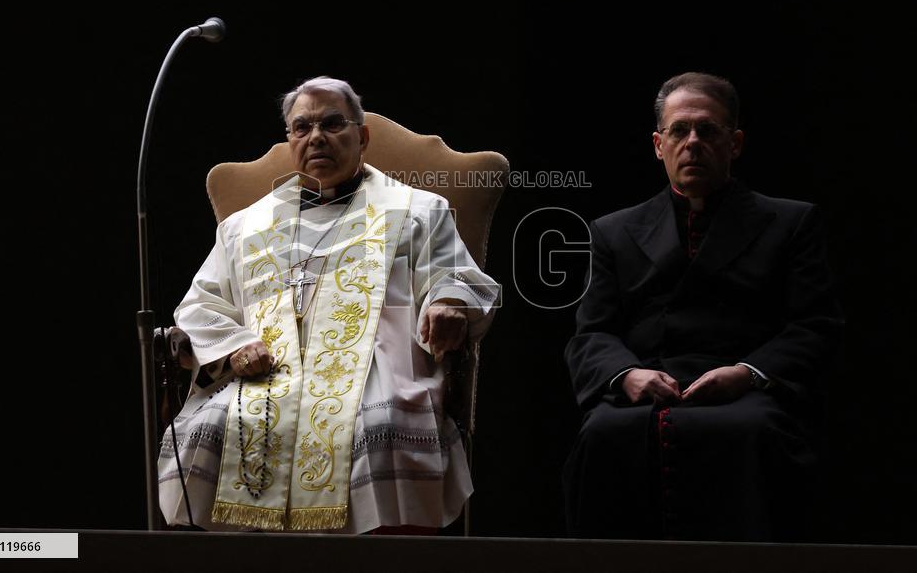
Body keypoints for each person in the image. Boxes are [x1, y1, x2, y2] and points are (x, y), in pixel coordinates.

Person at [158, 76, 499, 533]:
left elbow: (452, 274)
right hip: (265, 375)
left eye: (332, 124)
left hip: (376, 370)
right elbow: (202, 304)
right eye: (302, 127)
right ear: (290, 140)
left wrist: (449, 302)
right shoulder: (245, 227)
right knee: (211, 429)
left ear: (362, 136)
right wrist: (233, 345)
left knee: (381, 426)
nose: (315, 136)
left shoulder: (419, 209)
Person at [562, 72, 843, 541]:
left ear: (734, 143)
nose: (693, 142)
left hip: (748, 393)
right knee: (602, 434)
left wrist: (748, 372)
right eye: (679, 130)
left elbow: (815, 326)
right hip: (650, 389)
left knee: (755, 434)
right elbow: (591, 334)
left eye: (708, 131)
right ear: (658, 143)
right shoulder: (613, 231)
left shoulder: (792, 223)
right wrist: (628, 374)